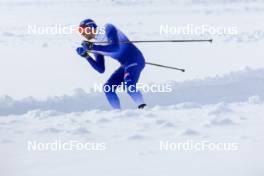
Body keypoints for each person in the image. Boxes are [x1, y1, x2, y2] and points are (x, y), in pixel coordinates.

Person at [76, 19, 146, 109]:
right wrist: (86, 56)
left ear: (91, 27)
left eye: (82, 29)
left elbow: (115, 48)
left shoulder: (107, 28)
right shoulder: (94, 45)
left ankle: (143, 108)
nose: (82, 33)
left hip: (135, 60)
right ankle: (118, 113)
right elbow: (101, 69)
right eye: (79, 31)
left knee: (128, 84)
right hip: (125, 64)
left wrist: (93, 47)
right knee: (108, 88)